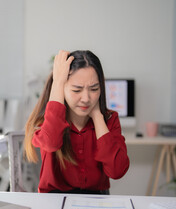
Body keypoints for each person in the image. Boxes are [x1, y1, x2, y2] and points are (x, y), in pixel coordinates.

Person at [24, 50, 129, 194]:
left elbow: (117, 171)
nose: (86, 98)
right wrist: (58, 81)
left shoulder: (110, 119)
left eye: (94, 89)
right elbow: (51, 142)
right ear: (62, 89)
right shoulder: (48, 120)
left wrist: (97, 116)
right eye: (76, 90)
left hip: (97, 200)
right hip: (54, 200)